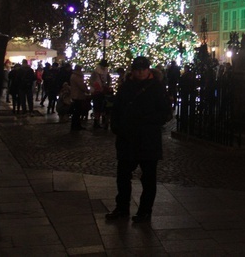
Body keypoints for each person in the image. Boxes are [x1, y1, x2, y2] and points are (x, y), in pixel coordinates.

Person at [105, 56, 172, 223]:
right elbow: (117, 109)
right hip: (127, 137)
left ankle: (144, 211)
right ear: (133, 70)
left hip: (148, 138)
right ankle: (122, 208)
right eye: (137, 69)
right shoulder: (126, 86)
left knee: (148, 178)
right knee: (123, 176)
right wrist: (116, 126)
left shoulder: (157, 87)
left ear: (148, 69)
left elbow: (166, 113)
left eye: (143, 68)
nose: (140, 72)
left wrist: (148, 120)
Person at [89, 59, 112, 128]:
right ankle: (98, 121)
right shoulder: (97, 72)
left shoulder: (97, 72)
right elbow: (93, 82)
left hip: (99, 91)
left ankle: (98, 121)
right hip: (98, 92)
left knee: (99, 107)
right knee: (98, 107)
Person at [69, 64, 91, 131]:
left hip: (75, 95)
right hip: (78, 95)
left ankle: (76, 125)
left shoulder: (74, 75)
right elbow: (81, 85)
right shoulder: (77, 76)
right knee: (77, 112)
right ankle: (76, 125)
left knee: (77, 111)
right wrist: (87, 90)